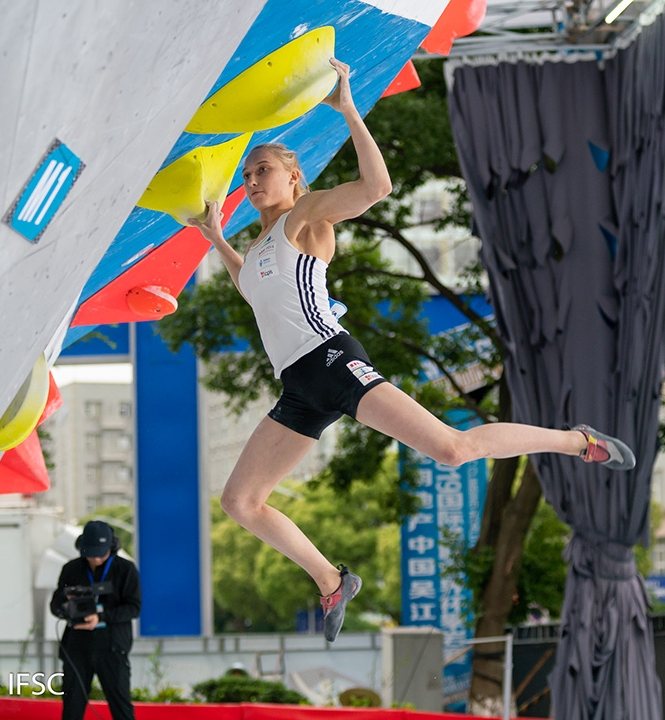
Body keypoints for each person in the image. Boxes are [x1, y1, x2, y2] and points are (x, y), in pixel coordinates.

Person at [189, 57, 636, 643]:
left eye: (262, 170)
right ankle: (331, 579)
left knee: (452, 450)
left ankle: (578, 442)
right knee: (241, 502)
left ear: (293, 180)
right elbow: (252, 286)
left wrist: (349, 108)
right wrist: (215, 233)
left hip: (332, 360)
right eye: (247, 174)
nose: (251, 181)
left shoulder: (305, 215)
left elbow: (378, 188)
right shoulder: (262, 247)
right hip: (299, 384)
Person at [50, 520, 141, 720]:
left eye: (100, 553)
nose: (95, 559)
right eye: (90, 553)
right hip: (77, 647)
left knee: (121, 706)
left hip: (112, 647)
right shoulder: (72, 569)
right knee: (72, 707)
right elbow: (55, 606)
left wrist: (100, 617)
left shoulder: (125, 569)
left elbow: (134, 608)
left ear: (111, 547)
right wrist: (68, 603)